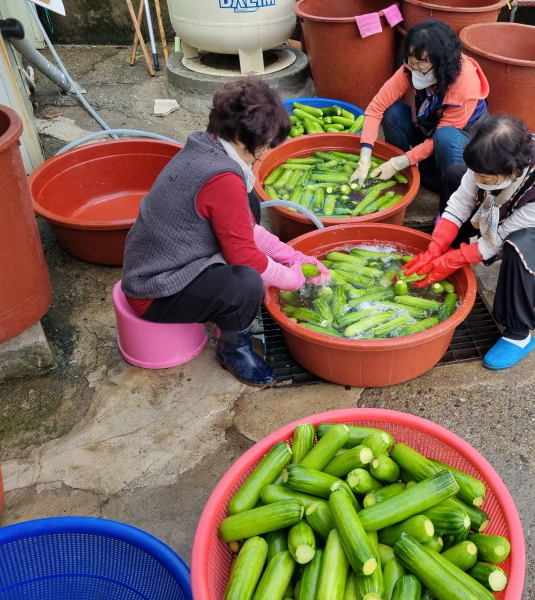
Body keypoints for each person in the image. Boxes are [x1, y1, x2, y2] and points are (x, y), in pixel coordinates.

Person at [121, 78, 328, 387]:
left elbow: (246, 229)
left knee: (250, 202)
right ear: (242, 138)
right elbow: (245, 258)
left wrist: (292, 256)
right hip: (155, 290)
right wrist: (292, 279)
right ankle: (233, 348)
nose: (265, 151)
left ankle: (229, 319)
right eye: (265, 143)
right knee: (246, 284)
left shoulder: (205, 145)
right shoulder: (222, 178)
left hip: (164, 259)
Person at [402, 115, 535, 370]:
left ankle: (518, 335)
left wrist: (456, 259)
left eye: (485, 176)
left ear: (513, 171)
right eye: (477, 173)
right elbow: (461, 200)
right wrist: (438, 246)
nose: (478, 178)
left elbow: (500, 237)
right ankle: (452, 250)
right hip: (520, 201)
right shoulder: (490, 156)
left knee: (517, 247)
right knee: (454, 174)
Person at [351, 18, 489, 193]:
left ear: (441, 64)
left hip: (463, 141)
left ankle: (452, 190)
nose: (415, 71)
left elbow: (440, 135)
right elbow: (376, 107)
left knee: (445, 138)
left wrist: (399, 162)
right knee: (393, 113)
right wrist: (364, 158)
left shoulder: (464, 84)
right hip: (431, 130)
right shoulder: (410, 68)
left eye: (421, 67)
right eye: (411, 63)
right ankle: (404, 174)